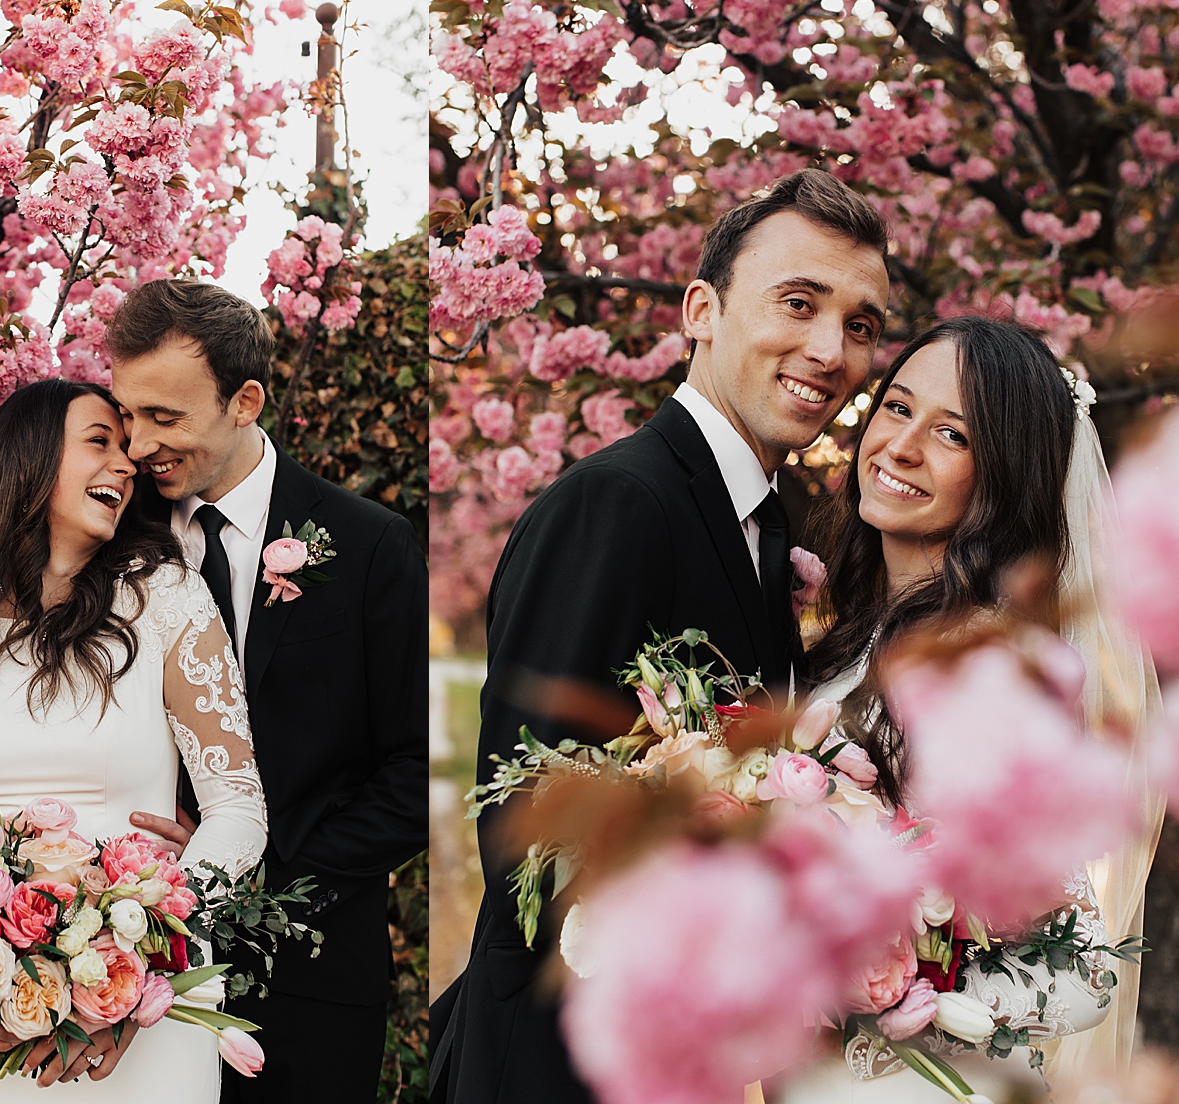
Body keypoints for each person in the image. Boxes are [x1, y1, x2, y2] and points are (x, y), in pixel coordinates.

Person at [428, 168, 892, 1104]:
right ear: (700, 311)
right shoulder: (618, 503)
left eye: (862, 324)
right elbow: (527, 831)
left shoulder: (765, 526)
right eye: (797, 303)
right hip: (560, 1063)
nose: (829, 349)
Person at [777, 316, 1163, 1102]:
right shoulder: (855, 632)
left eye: (951, 433)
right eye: (896, 408)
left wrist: (900, 995)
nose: (902, 446)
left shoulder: (983, 673)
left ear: (1004, 474)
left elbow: (1086, 970)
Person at [0, 377, 268, 1101]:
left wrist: (152, 956)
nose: (126, 464)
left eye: (127, 449)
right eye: (100, 443)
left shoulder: (168, 601)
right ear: (29, 459)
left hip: (144, 1009)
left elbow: (238, 807)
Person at [103, 279, 427, 1104]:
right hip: (119, 970)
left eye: (164, 418)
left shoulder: (368, 546)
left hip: (308, 979)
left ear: (244, 400)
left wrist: (247, 876)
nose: (138, 446)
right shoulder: (107, 542)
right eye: (127, 414)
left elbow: (414, 776)